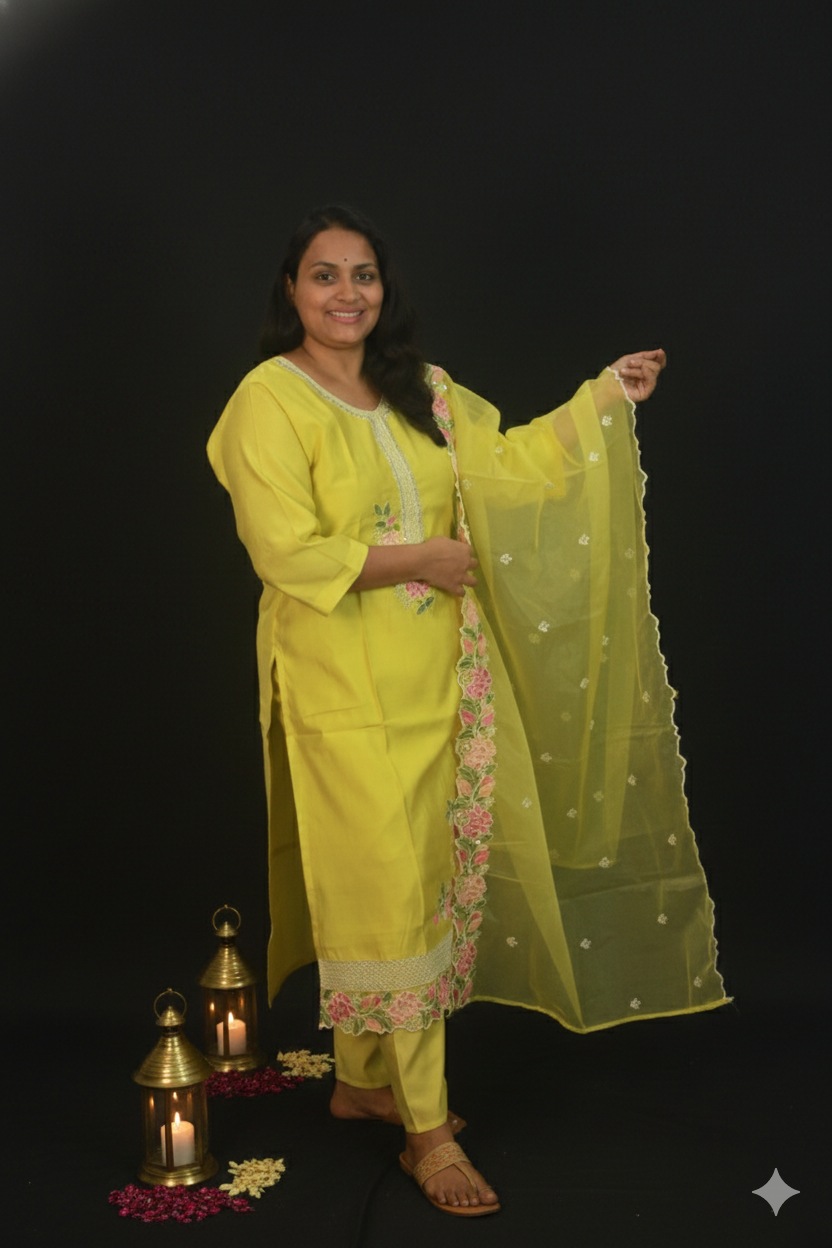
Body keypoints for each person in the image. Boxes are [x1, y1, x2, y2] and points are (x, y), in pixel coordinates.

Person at [207, 205, 729, 1217]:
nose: (347, 293)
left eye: (364, 274)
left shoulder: (422, 389)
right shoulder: (266, 401)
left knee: (422, 877)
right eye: (325, 275)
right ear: (291, 290)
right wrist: (421, 558)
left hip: (441, 677)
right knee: (387, 884)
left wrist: (604, 398)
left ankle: (363, 1080)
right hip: (341, 687)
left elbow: (512, 464)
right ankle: (428, 1132)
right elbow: (284, 550)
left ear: (383, 289)